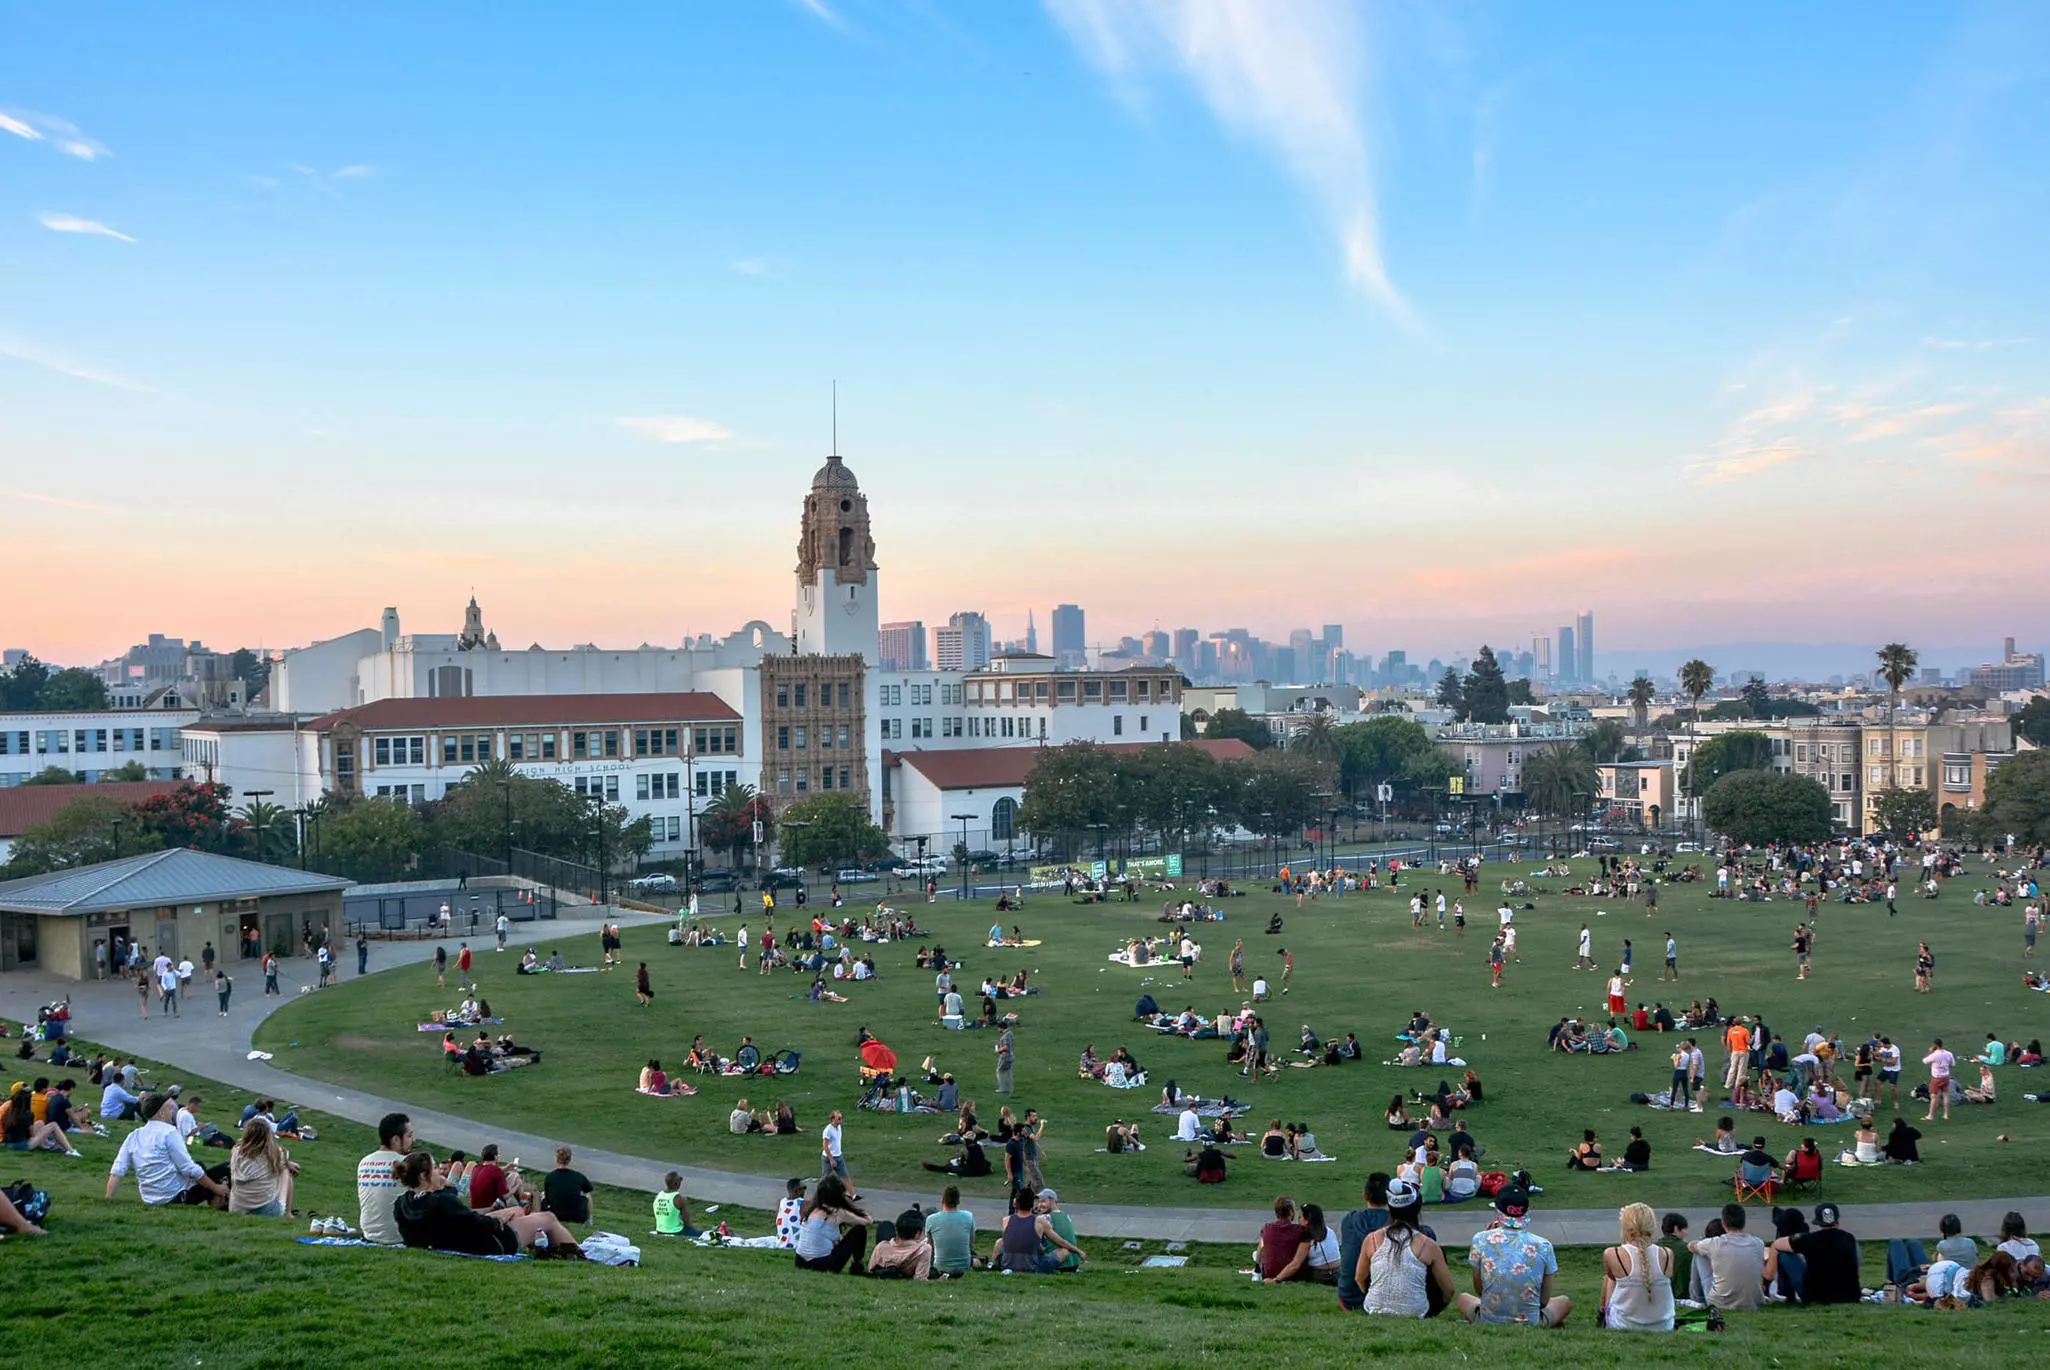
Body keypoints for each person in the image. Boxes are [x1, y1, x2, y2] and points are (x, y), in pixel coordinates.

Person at [392, 1151, 581, 1257]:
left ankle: (542, 1248)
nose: (439, 1173)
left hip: (455, 1241)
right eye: (434, 1169)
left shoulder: (402, 1204)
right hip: (485, 1244)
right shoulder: (441, 1201)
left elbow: (416, 1238)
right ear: (424, 1176)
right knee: (548, 1217)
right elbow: (475, 1223)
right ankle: (576, 1255)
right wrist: (499, 1221)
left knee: (515, 1211)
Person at [1461, 1185, 1570, 1326]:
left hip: (1488, 1319)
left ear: (1497, 1211)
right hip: (1530, 1321)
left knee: (1463, 1298)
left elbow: (1479, 1288)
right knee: (1564, 1301)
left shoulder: (1480, 1239)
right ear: (1526, 1212)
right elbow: (1543, 1301)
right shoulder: (1544, 1245)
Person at [104, 1093, 227, 1207]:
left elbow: (118, 1170)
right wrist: (216, 1188)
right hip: (176, 1197)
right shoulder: (169, 1132)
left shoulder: (134, 1136)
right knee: (226, 1168)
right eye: (169, 1108)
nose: (173, 1111)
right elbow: (188, 1168)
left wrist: (108, 1199)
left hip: (150, 1199)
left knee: (198, 1164)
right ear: (161, 1113)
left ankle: (215, 1201)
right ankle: (224, 1206)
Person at [1358, 1178, 1455, 1316]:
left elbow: (1360, 1278)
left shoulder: (1371, 1239)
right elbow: (1448, 1289)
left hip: (1373, 1308)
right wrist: (1435, 1310)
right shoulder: (1428, 1245)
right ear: (1417, 1209)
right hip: (1417, 1311)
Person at [1601, 1202, 1675, 1331]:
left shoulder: (1613, 1253)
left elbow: (1612, 1278)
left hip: (1623, 1325)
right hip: (1664, 1325)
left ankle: (1602, 1315)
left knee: (1610, 1278)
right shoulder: (1667, 1254)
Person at [1773, 1202, 1860, 1304]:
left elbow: (1778, 1244)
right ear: (1837, 1220)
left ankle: (1786, 1293)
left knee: (1785, 1255)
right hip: (1849, 1295)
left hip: (1816, 1296)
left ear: (1818, 1222)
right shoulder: (1849, 1238)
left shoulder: (1809, 1239)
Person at [1690, 1203, 1767, 1312]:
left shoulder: (1714, 1243)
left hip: (1720, 1303)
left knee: (1699, 1254)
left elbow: (1691, 1246)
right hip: (1753, 1301)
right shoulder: (1758, 1243)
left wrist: (1700, 1241)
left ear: (1723, 1223)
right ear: (1744, 1223)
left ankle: (1697, 1299)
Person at [992, 1186, 1085, 1273]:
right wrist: (1078, 1251)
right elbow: (1060, 1241)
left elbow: (1012, 1242)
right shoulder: (1040, 1222)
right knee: (1064, 1251)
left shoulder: (1006, 1220)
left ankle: (994, 1265)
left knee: (1000, 1241)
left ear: (1015, 1203)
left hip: (1007, 1264)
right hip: (1033, 1267)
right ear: (1032, 1205)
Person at [793, 1175, 871, 1273]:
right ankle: (857, 1265)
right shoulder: (838, 1212)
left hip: (800, 1261)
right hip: (822, 1264)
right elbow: (867, 1221)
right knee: (860, 1229)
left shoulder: (812, 1210)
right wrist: (850, 1206)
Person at [356, 1112, 413, 1244]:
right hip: (400, 1236)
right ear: (396, 1140)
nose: (413, 1140)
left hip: (370, 1234)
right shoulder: (406, 1162)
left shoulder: (364, 1162)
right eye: (409, 1136)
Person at [227, 1117, 299, 1217]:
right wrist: (287, 1164)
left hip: (237, 1209)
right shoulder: (276, 1152)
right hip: (268, 1211)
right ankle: (288, 1213)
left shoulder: (236, 1151)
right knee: (285, 1171)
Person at [870, 1207, 934, 1279]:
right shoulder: (923, 1250)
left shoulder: (881, 1246)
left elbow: (871, 1270)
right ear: (918, 1233)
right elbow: (920, 1278)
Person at [926, 1185, 976, 1277]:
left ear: (943, 1200)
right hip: (964, 1264)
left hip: (940, 1265)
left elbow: (930, 1247)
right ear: (958, 1201)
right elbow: (971, 1243)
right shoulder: (969, 1216)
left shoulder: (931, 1219)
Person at [1256, 1194, 1305, 1279]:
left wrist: (1257, 1268)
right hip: (1292, 1274)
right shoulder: (1299, 1230)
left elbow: (1260, 1248)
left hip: (1269, 1273)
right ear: (1291, 1212)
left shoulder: (1267, 1228)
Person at [541, 1146, 592, 1224]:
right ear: (570, 1160)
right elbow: (588, 1189)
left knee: (542, 1194)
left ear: (557, 1159)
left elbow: (548, 1197)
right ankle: (589, 1219)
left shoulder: (550, 1176)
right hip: (577, 1216)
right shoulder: (578, 1176)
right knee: (587, 1195)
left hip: (555, 1215)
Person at [651, 1172, 697, 1236]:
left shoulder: (658, 1196)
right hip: (676, 1231)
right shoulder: (679, 1198)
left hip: (660, 1230)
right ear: (676, 1183)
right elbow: (687, 1222)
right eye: (680, 1180)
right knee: (703, 1234)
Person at [1924, 1038, 1955, 1122]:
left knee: (1933, 1096)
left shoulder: (1935, 1054)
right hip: (1946, 1076)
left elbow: (1925, 1061)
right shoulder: (1949, 1053)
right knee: (1946, 1094)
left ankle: (1930, 1115)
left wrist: (1930, 1052)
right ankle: (1946, 1114)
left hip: (1936, 1077)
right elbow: (1953, 1064)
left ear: (1935, 1045)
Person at [820, 1109, 848, 1182]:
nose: (841, 1120)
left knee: (844, 1176)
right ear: (833, 1119)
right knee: (825, 1178)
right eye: (839, 1118)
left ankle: (851, 1193)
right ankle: (820, 1192)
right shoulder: (828, 1130)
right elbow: (825, 1146)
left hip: (838, 1155)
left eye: (841, 1118)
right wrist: (831, 1159)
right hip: (828, 1158)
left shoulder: (839, 1127)